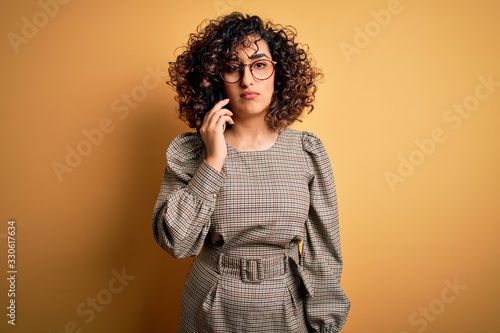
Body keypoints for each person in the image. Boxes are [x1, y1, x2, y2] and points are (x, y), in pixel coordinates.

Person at [152, 12, 350, 332]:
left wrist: (325, 323)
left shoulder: (307, 152)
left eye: (259, 65)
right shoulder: (191, 152)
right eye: (233, 67)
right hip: (210, 302)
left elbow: (323, 252)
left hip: (285, 305)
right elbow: (177, 242)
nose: (247, 80)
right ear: (215, 79)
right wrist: (214, 159)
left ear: (278, 74)